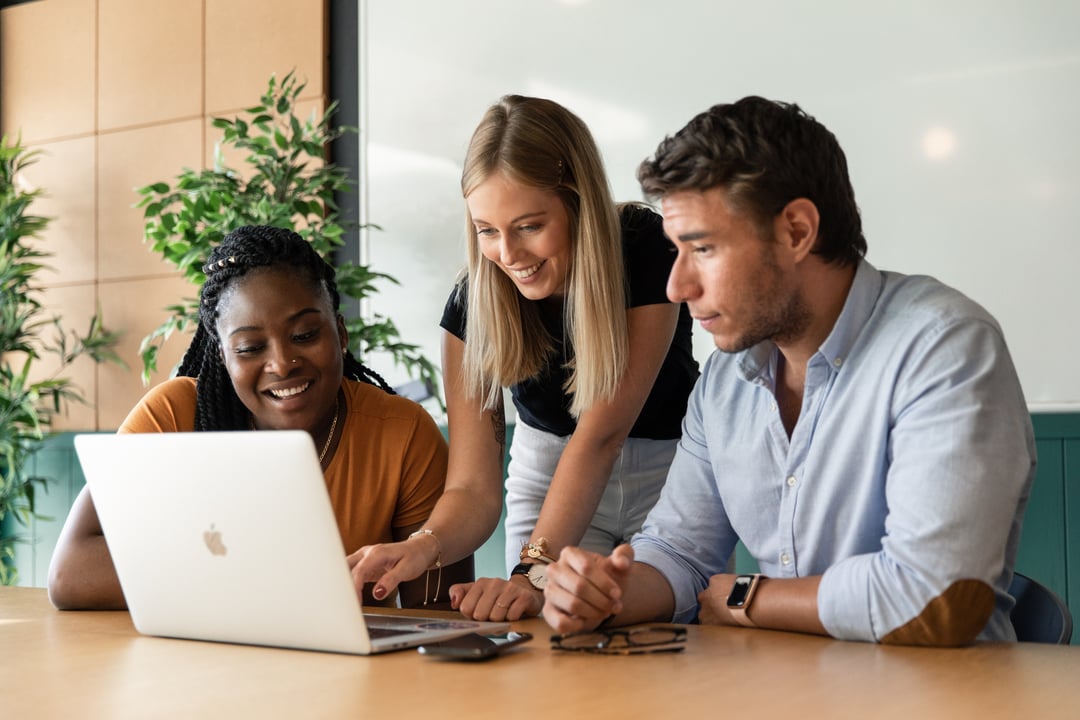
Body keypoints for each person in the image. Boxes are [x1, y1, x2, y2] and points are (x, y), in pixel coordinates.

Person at [542, 96, 1037, 646]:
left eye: (702, 248)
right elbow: (680, 552)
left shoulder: (945, 346)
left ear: (797, 230)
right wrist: (606, 595)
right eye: (676, 251)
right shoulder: (725, 380)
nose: (677, 287)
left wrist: (744, 596)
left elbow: (935, 599)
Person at [348, 95, 698, 621]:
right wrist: (424, 545)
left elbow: (601, 438)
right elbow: (472, 487)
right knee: (540, 637)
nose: (508, 254)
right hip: (549, 476)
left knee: (674, 650)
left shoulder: (646, 251)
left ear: (578, 201)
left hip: (667, 474)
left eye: (530, 226)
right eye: (487, 230)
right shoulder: (471, 309)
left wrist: (532, 571)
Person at [48, 225, 471, 611]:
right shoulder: (173, 415)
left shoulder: (402, 432)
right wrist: (263, 577)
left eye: (304, 336)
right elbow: (71, 574)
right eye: (251, 347)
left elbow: (435, 615)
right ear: (223, 356)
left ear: (340, 333)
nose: (282, 363)